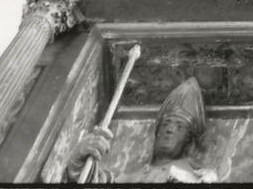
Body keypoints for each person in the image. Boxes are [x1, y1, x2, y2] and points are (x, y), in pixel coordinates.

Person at [64, 75, 217, 183]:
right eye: (166, 124)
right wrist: (80, 159)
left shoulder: (195, 177)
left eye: (179, 127)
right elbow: (90, 180)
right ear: (157, 134)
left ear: (188, 140)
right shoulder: (130, 177)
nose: (170, 129)